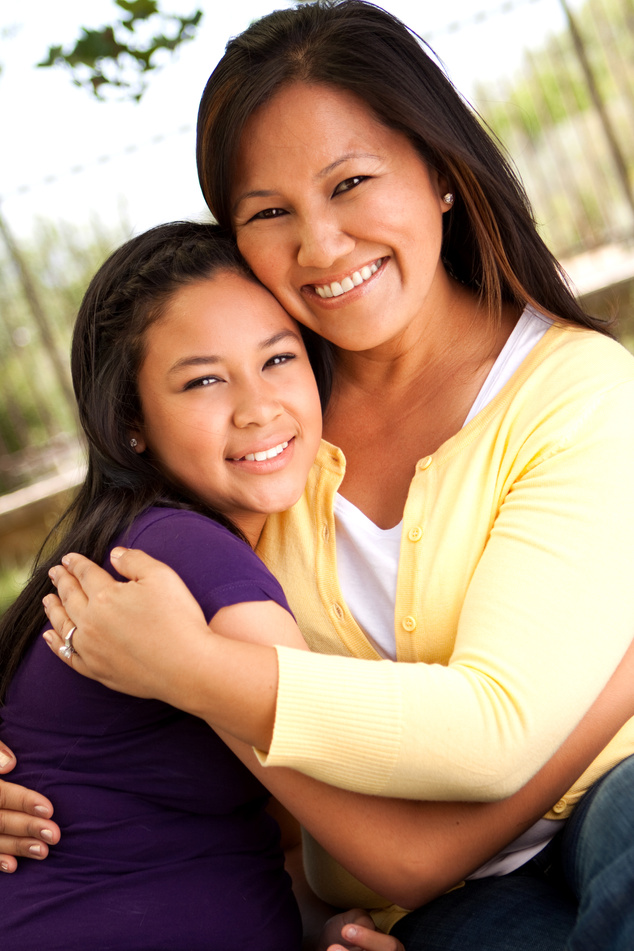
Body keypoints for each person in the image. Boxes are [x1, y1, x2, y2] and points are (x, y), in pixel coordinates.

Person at [4, 1, 634, 947]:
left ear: (441, 172)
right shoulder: (261, 443)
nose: (322, 244)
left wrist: (201, 671)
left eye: (352, 181)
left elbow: (491, 730)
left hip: (611, 800)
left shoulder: (577, 393)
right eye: (269, 211)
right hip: (422, 912)